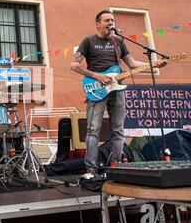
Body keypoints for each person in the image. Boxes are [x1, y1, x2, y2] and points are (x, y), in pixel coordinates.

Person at [71, 10, 167, 178]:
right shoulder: (89, 41)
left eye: (112, 20)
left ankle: (116, 165)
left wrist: (153, 64)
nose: (110, 23)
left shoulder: (119, 42)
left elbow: (131, 63)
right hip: (96, 88)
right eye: (107, 20)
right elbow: (74, 64)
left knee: (118, 129)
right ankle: (91, 169)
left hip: (118, 88)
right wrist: (96, 76)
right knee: (93, 130)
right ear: (98, 24)